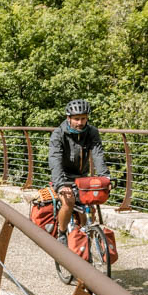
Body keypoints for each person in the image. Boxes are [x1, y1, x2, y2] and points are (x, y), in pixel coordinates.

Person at [48, 99, 111, 243]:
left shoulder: (92, 132)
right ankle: (62, 233)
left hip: (82, 177)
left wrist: (105, 177)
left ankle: (84, 238)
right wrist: (60, 184)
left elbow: (98, 155)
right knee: (68, 202)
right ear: (68, 118)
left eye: (83, 118)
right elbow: (54, 159)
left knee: (89, 207)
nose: (80, 122)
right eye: (76, 119)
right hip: (63, 177)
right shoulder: (58, 134)